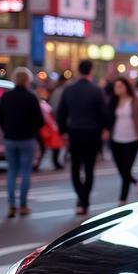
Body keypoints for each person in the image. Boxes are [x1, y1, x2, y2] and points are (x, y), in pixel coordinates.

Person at [57, 58, 109, 216]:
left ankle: (81, 197)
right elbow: (104, 113)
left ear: (79, 71)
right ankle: (85, 201)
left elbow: (61, 113)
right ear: (91, 71)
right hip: (92, 134)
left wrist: (64, 131)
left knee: (74, 167)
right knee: (89, 169)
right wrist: (105, 129)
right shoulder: (97, 90)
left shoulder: (69, 90)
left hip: (75, 132)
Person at [0, 67, 44, 218]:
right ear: (26, 80)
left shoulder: (6, 97)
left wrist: (6, 130)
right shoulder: (31, 97)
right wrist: (33, 130)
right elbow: (40, 120)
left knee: (11, 172)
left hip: (10, 138)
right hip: (27, 139)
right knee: (25, 172)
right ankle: (23, 205)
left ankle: (11, 205)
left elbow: (0, 119)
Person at [108, 77, 138, 204]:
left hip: (132, 140)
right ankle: (137, 182)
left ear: (127, 87)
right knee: (121, 170)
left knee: (126, 170)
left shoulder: (137, 101)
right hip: (115, 140)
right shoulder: (113, 101)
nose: (118, 89)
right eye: (116, 86)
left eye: (120, 86)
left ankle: (122, 199)